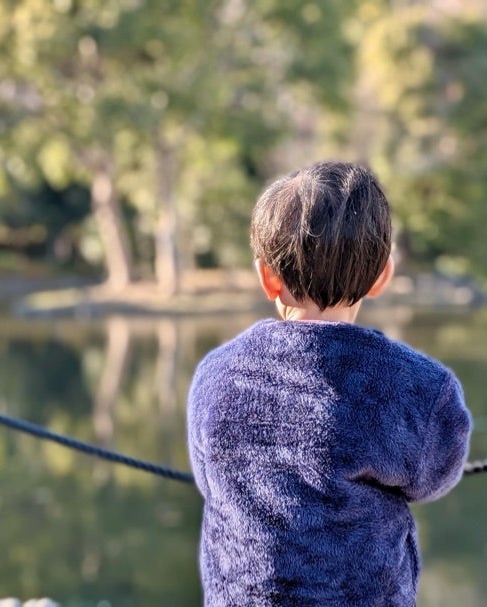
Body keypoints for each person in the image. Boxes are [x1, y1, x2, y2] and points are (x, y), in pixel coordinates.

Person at [186, 161, 472, 607]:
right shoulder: (418, 388)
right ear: (382, 275)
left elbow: (209, 479)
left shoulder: (216, 376)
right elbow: (433, 477)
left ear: (267, 277)